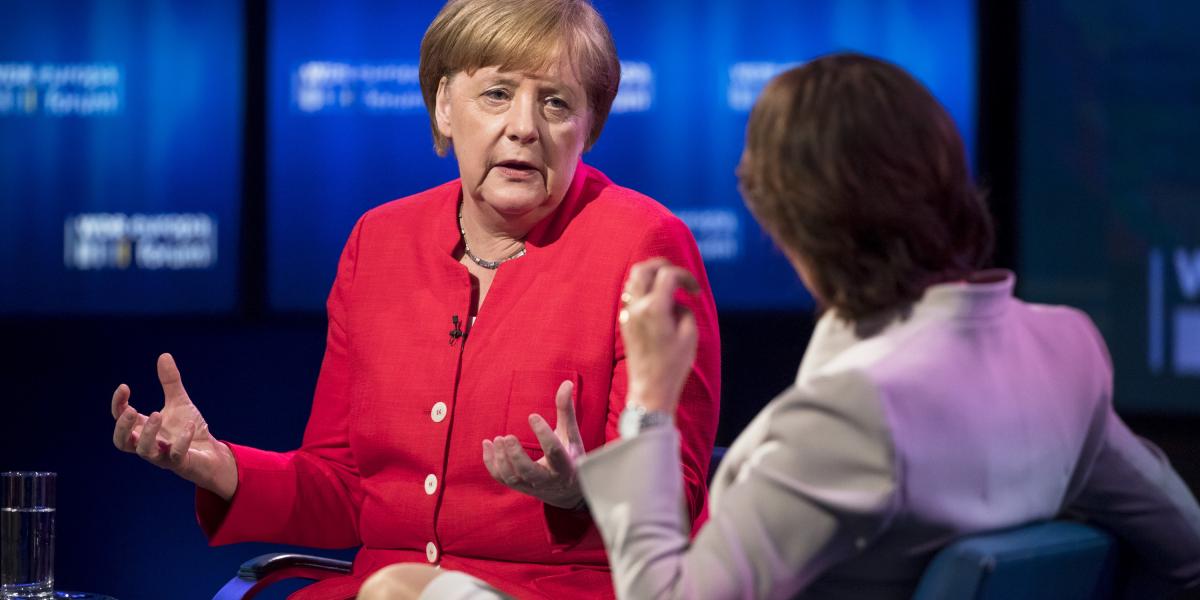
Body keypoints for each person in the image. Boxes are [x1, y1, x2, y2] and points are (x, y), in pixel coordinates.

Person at [366, 52, 1200, 599]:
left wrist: (650, 402)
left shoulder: (845, 425)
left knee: (402, 589)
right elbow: (1182, 541)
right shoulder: (1064, 347)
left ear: (787, 222)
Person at [107, 1, 720, 598]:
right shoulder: (379, 242)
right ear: (444, 106)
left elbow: (678, 497)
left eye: (556, 101)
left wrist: (582, 490)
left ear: (590, 126)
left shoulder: (643, 245)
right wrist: (222, 468)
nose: (525, 126)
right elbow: (347, 485)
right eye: (497, 94)